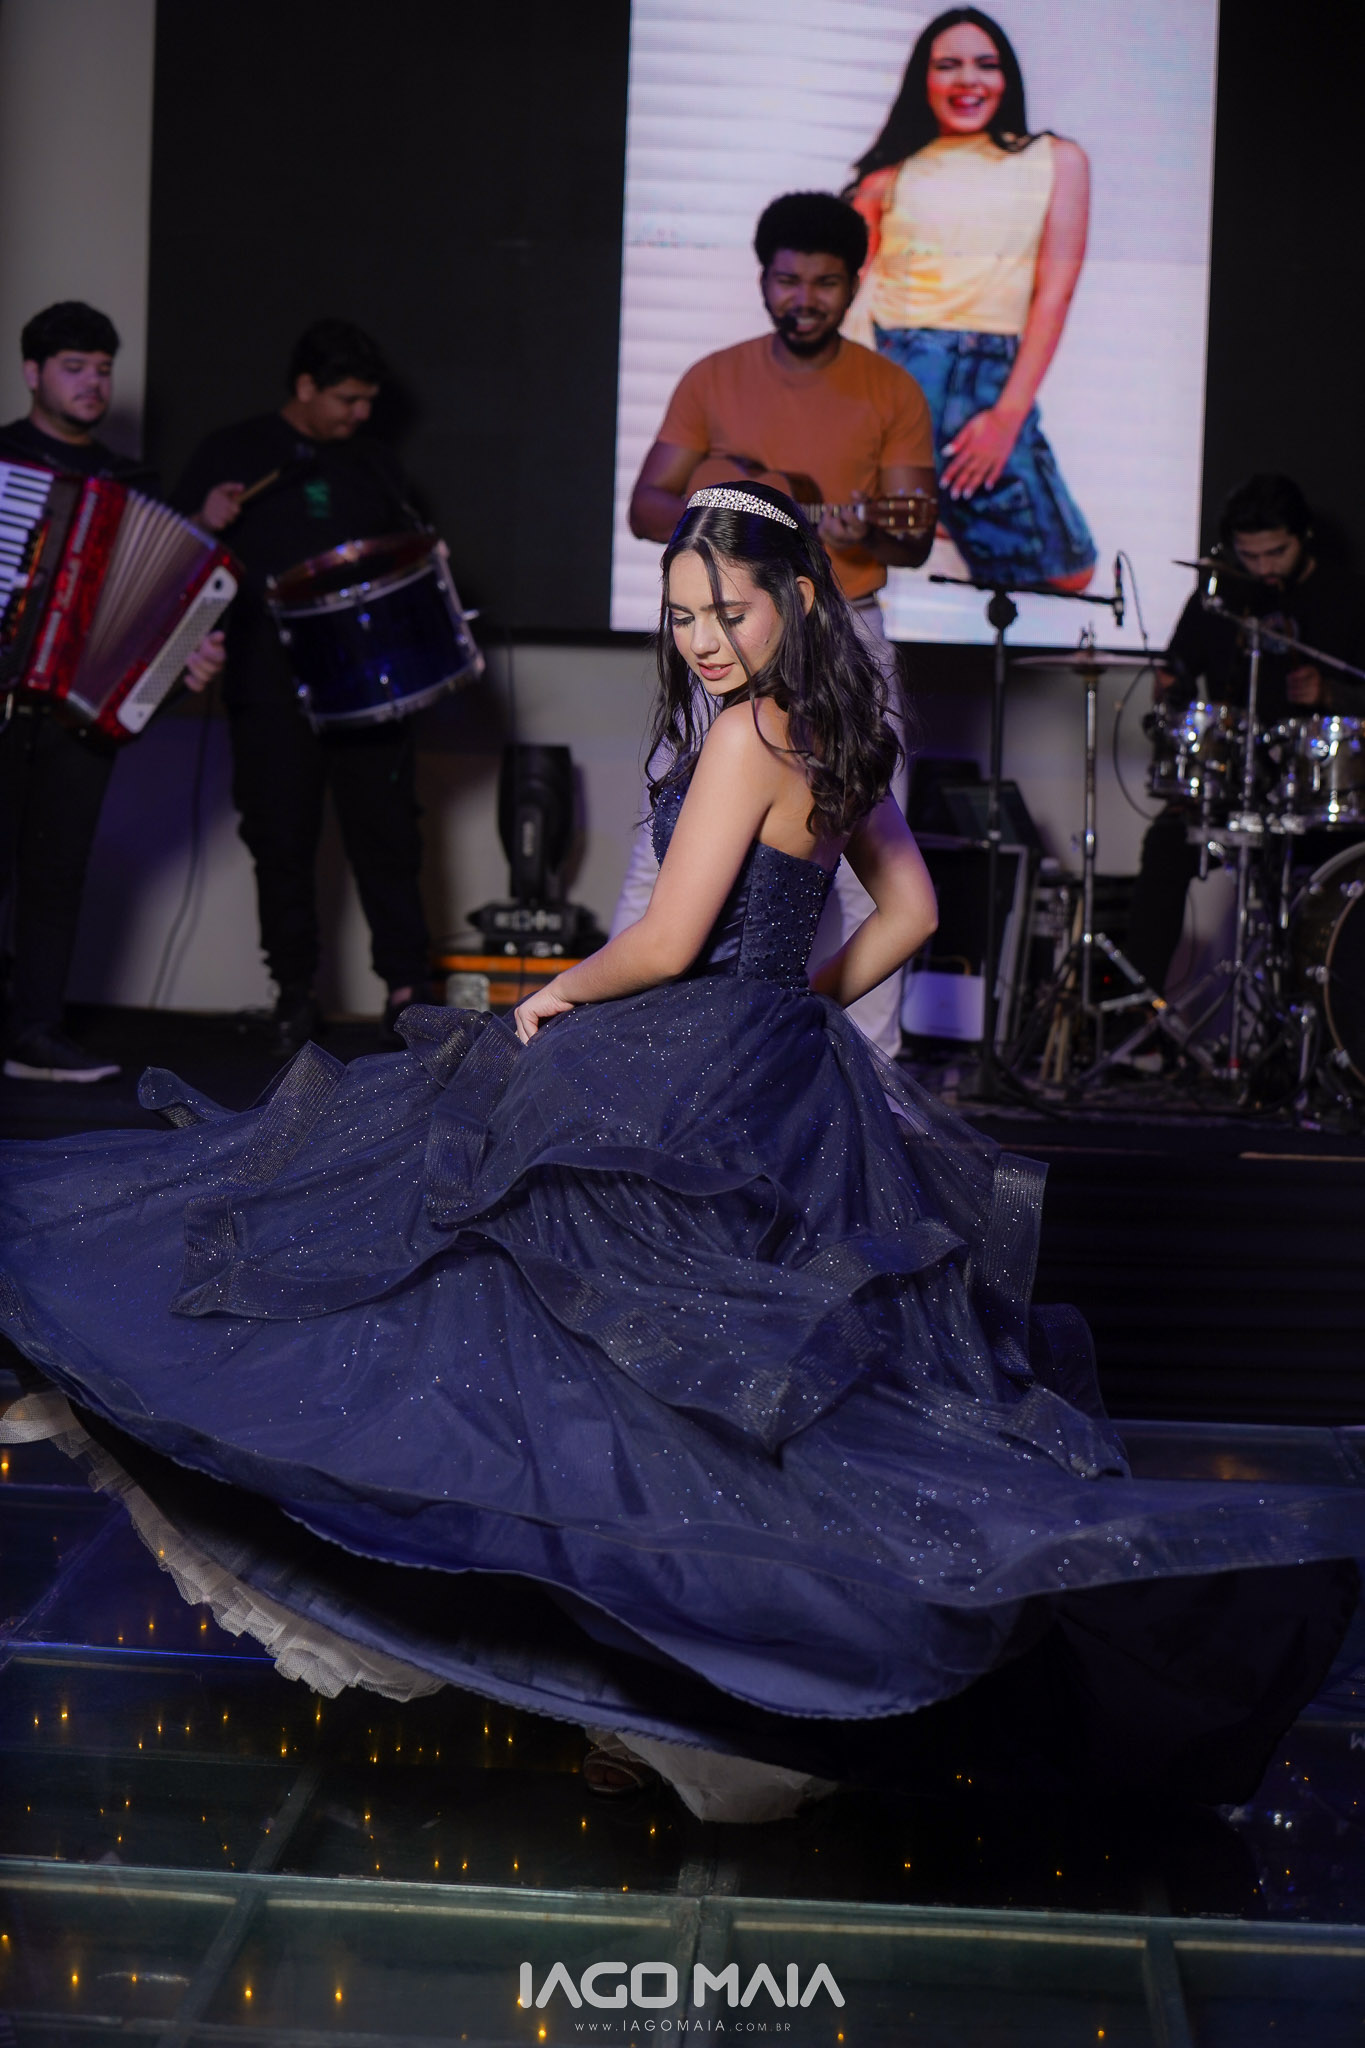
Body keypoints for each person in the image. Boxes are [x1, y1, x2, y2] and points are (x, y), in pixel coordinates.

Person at [0, 482, 1360, 1823]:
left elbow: (662, 941)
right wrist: (795, 1011)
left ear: (797, 601)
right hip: (770, 1071)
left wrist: (552, 996)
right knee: (690, 1376)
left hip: (688, 1060)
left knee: (582, 1339)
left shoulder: (748, 734)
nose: (702, 638)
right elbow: (911, 911)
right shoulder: (838, 724)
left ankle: (625, 1680)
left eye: (728, 611)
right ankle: (667, 1692)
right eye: (683, 615)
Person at [622, 190, 937, 1057]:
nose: (803, 299)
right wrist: (738, 512)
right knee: (669, 843)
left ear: (853, 285)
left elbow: (911, 537)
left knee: (864, 882)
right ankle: (634, 1044)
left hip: (841, 630)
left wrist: (846, 530)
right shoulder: (713, 376)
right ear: (763, 279)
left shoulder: (890, 389)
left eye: (824, 284)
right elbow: (646, 505)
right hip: (732, 630)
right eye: (787, 280)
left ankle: (855, 1073)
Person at [174, 319, 432, 1056]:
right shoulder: (234, 451)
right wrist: (203, 521)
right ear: (305, 387)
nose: (361, 414)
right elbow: (167, 560)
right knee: (281, 838)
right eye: (347, 400)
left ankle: (408, 991)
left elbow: (406, 554)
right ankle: (293, 991)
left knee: (388, 834)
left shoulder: (376, 464)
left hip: (368, 681)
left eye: (369, 400)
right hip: (268, 678)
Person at [0, 302, 225, 1084]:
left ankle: (34, 1035)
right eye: (74, 368)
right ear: (32, 373)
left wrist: (185, 660)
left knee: (56, 874)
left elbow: (158, 613)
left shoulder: (131, 483)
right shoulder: (3, 461)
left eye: (102, 369)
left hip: (76, 716)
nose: (92, 383)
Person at [845, 7, 1096, 593]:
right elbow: (848, 297)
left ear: (1007, 77)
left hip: (989, 376)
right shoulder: (889, 176)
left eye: (986, 64)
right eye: (947, 66)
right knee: (871, 560)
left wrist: (1008, 417)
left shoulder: (1057, 159)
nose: (968, 81)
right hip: (898, 371)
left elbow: (1054, 294)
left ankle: (945, 524)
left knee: (1068, 570)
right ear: (923, 79)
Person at [1126, 474, 1365, 997]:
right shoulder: (1221, 594)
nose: (1263, 569)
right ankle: (1139, 1011)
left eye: (1276, 553)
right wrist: (1170, 688)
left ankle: (1304, 1021)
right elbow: (1176, 674)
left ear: (1303, 536)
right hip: (1233, 785)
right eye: (1249, 556)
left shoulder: (1348, 597)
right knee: (1166, 846)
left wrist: (1332, 694)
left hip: (1316, 798)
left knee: (1326, 893)